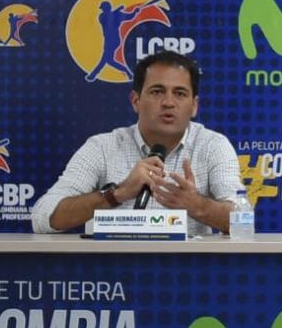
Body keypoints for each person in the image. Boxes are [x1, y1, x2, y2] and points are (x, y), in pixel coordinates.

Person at [31, 51, 243, 235]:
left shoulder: (212, 146)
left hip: (186, 273)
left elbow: (244, 221)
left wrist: (195, 205)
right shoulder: (103, 147)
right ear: (136, 101)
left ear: (194, 106)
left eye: (179, 93)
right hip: (113, 273)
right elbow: (42, 218)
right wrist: (116, 194)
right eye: (157, 91)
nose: (168, 102)